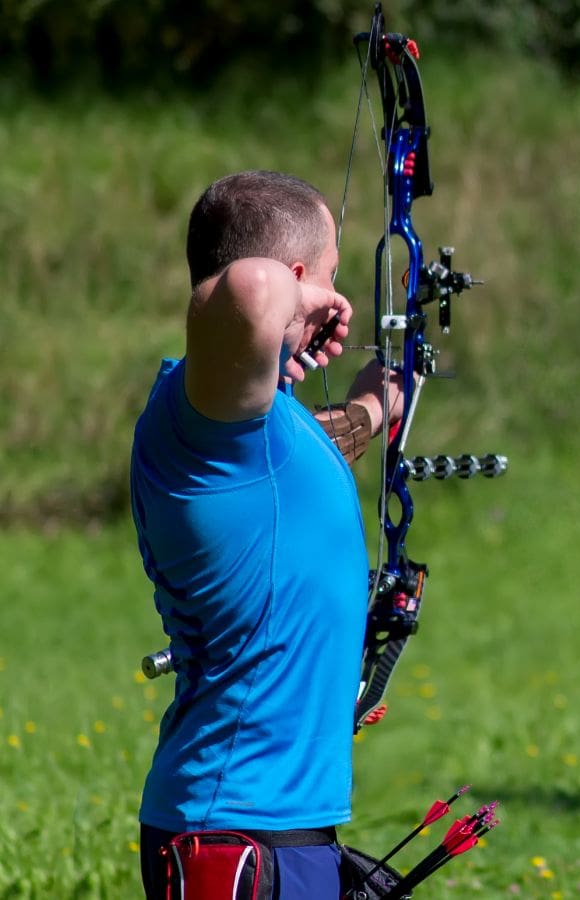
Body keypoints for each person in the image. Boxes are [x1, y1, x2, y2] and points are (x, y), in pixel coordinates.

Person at [130, 170, 401, 899]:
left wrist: (374, 408)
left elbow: (303, 457)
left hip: (276, 830)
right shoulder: (199, 422)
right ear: (300, 277)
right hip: (235, 834)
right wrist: (307, 294)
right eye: (331, 276)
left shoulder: (252, 431)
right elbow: (250, 288)